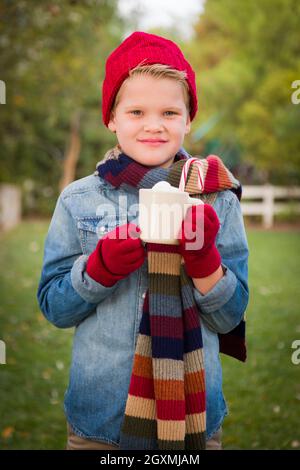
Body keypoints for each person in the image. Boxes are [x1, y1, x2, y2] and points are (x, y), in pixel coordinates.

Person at [37, 31, 249, 451]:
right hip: (100, 423)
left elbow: (229, 317)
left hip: (195, 418)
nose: (154, 125)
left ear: (188, 119)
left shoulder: (218, 199)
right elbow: (55, 308)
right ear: (112, 118)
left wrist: (204, 260)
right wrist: (99, 269)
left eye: (170, 112)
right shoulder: (79, 199)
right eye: (136, 111)